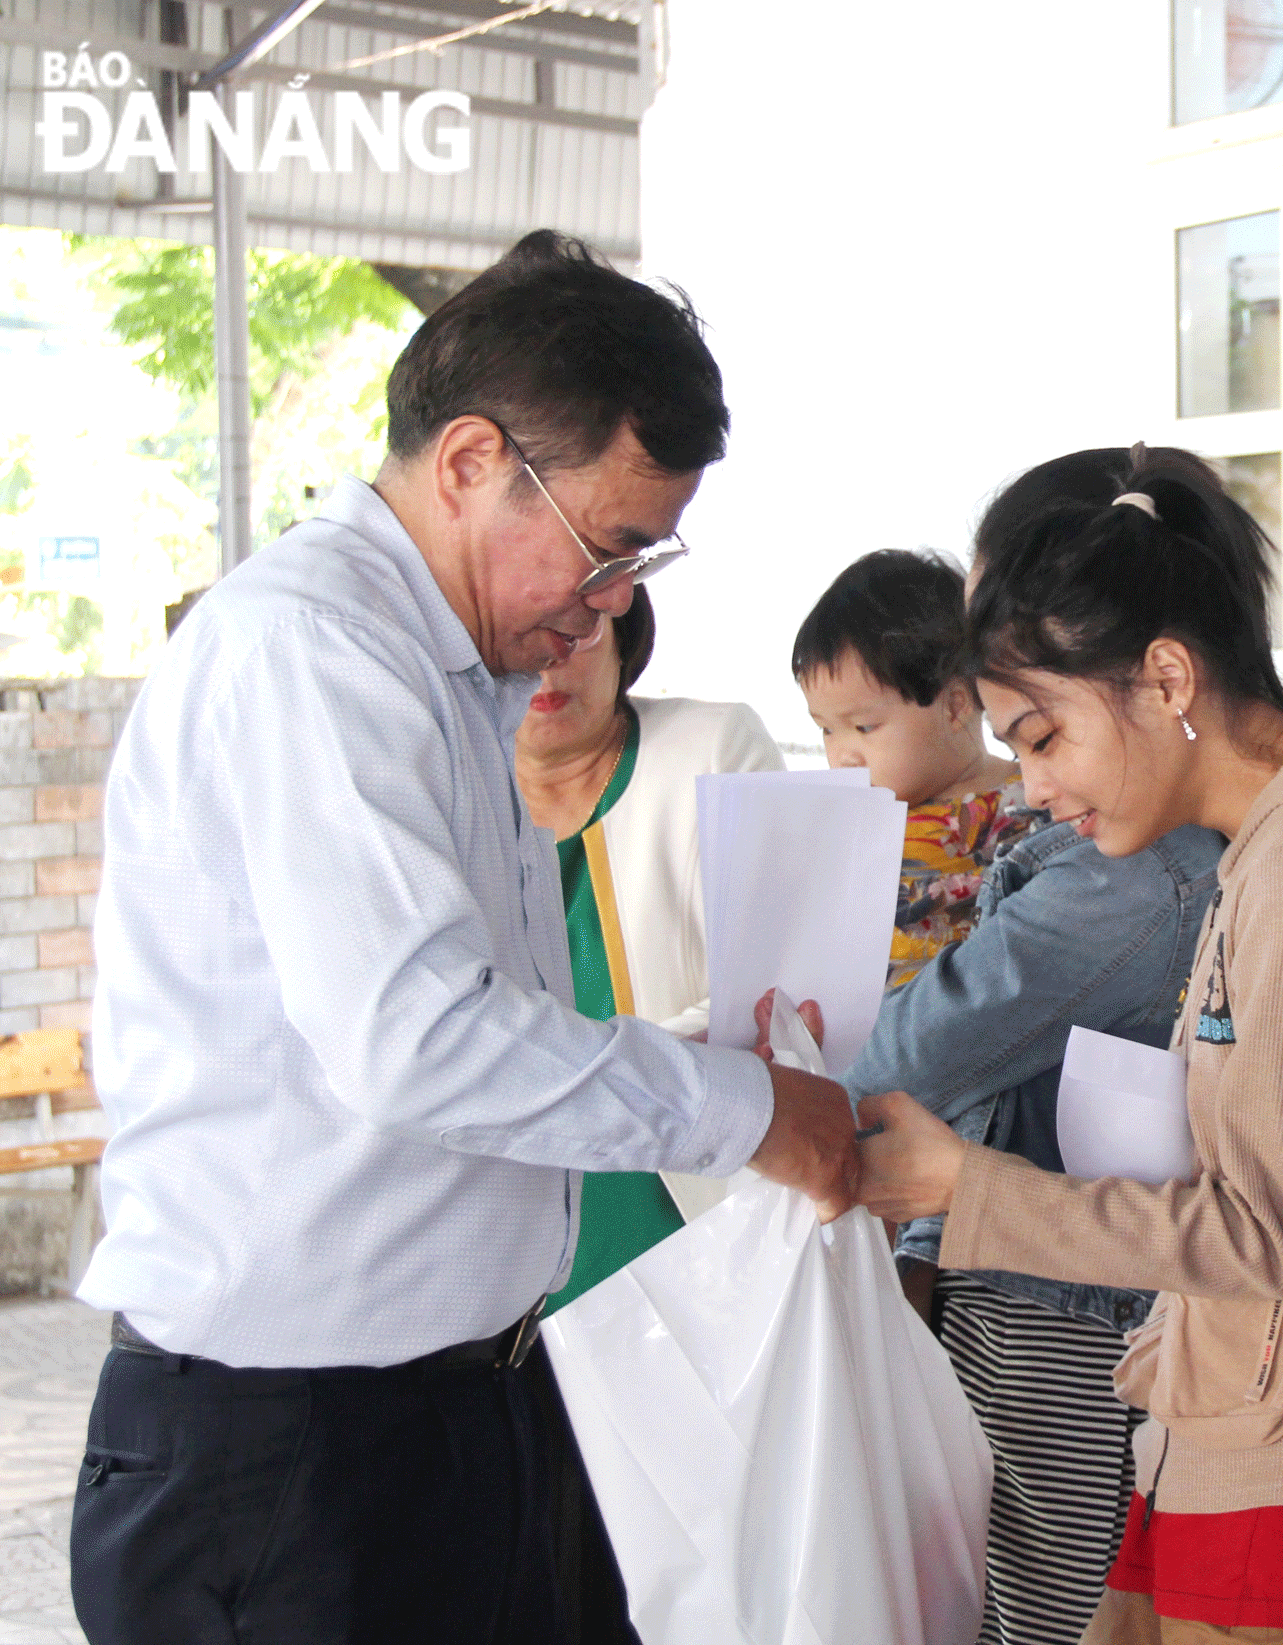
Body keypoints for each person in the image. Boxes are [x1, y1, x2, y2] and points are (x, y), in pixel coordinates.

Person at [69, 230, 861, 1645]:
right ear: (468, 463)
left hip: (454, 1402)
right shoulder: (312, 655)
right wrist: (750, 1115)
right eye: (611, 546)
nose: (615, 599)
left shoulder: (452, 676)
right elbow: (419, 1042)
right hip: (289, 1456)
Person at [855, 443, 1283, 1645]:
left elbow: (1255, 1230)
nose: (1035, 789)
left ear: (1165, 677)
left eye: (1043, 737)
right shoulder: (1268, 847)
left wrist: (967, 1189)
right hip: (1224, 1432)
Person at [832, 456, 1227, 1645]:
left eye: (1037, 727)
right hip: (1031, 1277)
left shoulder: (1140, 873)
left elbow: (914, 1052)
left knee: (1048, 1607)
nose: (1032, 774)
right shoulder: (1114, 843)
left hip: (1069, 1308)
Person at [515, 584, 787, 1281]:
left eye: (573, 632)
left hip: (692, 1227)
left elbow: (773, 998)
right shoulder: (441, 792)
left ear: (622, 629)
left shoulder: (714, 745)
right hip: (500, 1245)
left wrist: (581, 1084)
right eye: (521, 637)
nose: (548, 666)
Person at [794, 547, 1037, 987]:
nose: (843, 755)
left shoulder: (1037, 802)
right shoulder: (847, 825)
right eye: (827, 730)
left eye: (864, 727)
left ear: (956, 705)